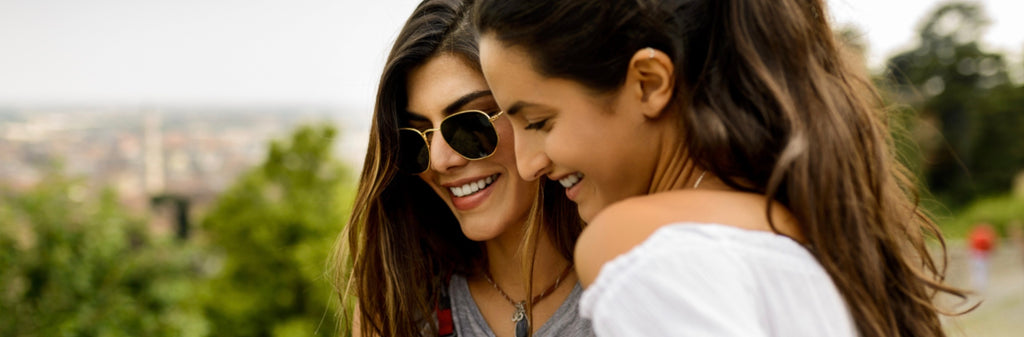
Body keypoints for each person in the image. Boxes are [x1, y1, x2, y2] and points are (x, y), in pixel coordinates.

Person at [473, 0, 967, 336]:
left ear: (647, 83)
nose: (527, 164)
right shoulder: (813, 230)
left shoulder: (639, 246)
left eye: (538, 121)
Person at [333, 1, 593, 337]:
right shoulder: (402, 304)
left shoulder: (637, 281)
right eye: (416, 137)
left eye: (471, 123)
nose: (441, 160)